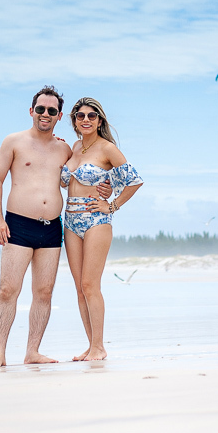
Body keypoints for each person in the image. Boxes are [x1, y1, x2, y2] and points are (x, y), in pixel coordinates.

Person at [0, 86, 109, 367]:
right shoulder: (13, 142)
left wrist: (106, 186)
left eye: (52, 111)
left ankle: (32, 352)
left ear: (59, 115)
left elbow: (87, 169)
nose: (45, 114)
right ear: (31, 111)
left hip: (52, 227)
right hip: (18, 224)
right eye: (40, 109)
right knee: (8, 290)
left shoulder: (65, 148)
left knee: (43, 293)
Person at [61, 97, 143, 361]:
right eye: (80, 115)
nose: (86, 119)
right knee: (79, 288)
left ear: (100, 120)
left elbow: (134, 181)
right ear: (74, 120)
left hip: (96, 220)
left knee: (90, 284)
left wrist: (113, 205)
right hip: (70, 221)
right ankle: (91, 345)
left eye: (92, 116)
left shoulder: (107, 148)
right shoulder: (74, 148)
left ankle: (100, 347)